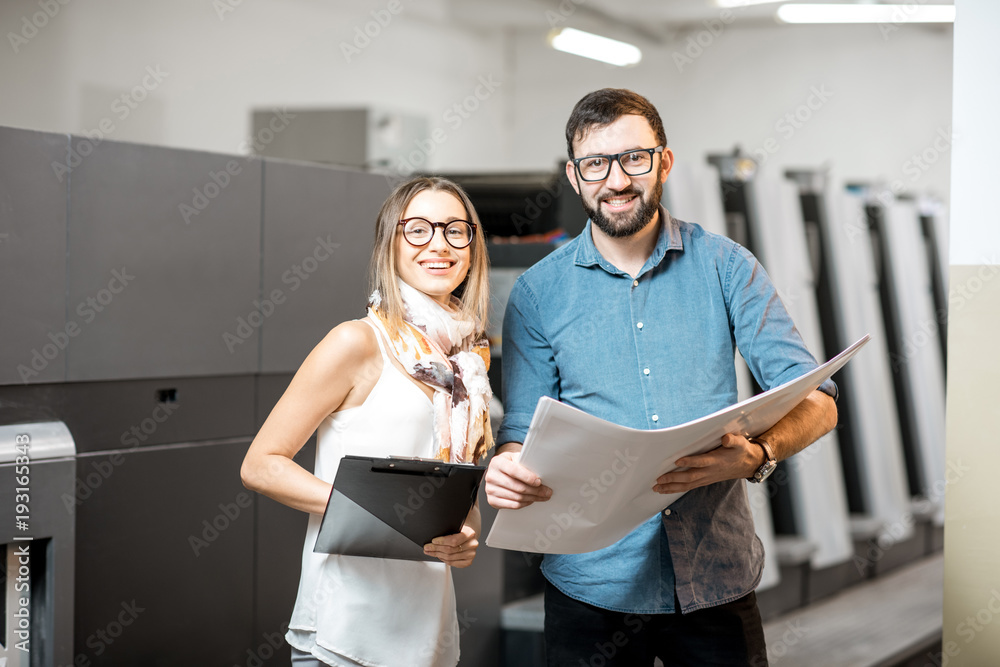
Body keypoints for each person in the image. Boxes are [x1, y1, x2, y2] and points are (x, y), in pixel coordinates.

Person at [484, 88, 839, 666]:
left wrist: (760, 452)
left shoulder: (726, 267)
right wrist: (508, 464)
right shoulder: (537, 293)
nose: (616, 180)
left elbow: (817, 397)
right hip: (589, 584)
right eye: (595, 163)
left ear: (664, 162)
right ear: (575, 178)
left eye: (634, 158)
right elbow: (522, 426)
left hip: (715, 580)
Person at [241, 176, 494, 667]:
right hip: (344, 629)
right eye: (417, 230)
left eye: (455, 230)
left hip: (427, 629)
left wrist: (464, 532)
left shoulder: (467, 363)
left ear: (472, 245)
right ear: (390, 244)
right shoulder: (357, 342)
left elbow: (456, 498)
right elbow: (260, 465)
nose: (438, 245)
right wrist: (382, 510)